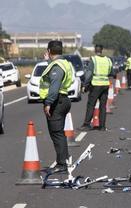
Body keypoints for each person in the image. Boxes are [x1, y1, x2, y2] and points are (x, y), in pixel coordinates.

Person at [39, 40, 73, 172]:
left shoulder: (57, 66)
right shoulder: (63, 63)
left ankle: (61, 164)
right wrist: (48, 61)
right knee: (59, 133)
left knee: (56, 134)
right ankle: (64, 160)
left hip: (56, 102)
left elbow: (54, 86)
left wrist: (48, 103)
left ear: (49, 51)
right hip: (63, 100)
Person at [79, 44, 113, 131]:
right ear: (102, 50)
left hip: (96, 85)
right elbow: (111, 72)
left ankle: (87, 124)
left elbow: (89, 74)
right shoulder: (108, 60)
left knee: (91, 105)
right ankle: (102, 126)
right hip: (105, 85)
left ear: (95, 50)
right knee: (103, 106)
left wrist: (85, 85)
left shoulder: (94, 59)